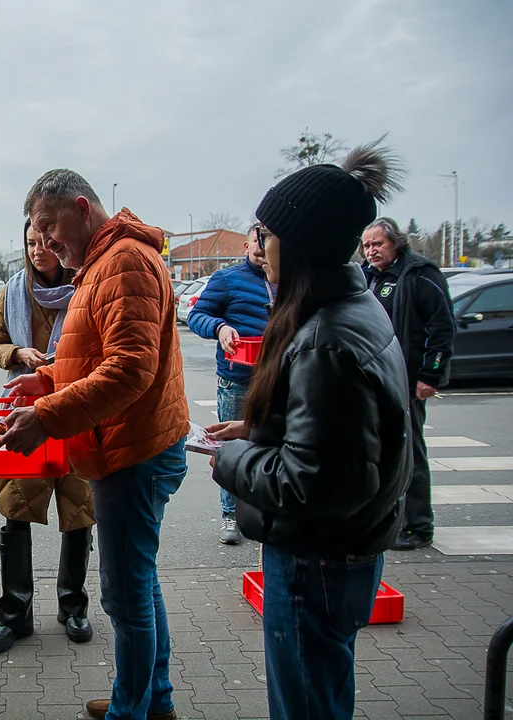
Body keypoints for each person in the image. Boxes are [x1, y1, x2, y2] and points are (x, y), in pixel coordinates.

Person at [208, 141, 412, 720]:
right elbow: (341, 437)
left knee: (306, 705)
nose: (259, 248)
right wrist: (259, 424)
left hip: (314, 561)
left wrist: (232, 460)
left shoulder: (325, 337)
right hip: (343, 552)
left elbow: (311, 482)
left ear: (297, 246)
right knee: (323, 693)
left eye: (265, 235)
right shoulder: (355, 308)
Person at [0, 170, 189, 720]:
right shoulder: (104, 262)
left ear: (82, 208)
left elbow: (129, 370)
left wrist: (47, 415)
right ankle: (152, 699)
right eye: (37, 233)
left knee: (125, 597)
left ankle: (134, 709)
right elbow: (98, 355)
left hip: (135, 452)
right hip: (124, 446)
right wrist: (50, 377)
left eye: (51, 227)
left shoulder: (123, 261)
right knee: (140, 585)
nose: (48, 243)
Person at [0, 218, 94, 654]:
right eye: (30, 242)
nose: (38, 250)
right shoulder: (11, 291)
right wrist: (16, 353)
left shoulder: (86, 285)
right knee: (16, 509)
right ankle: (14, 615)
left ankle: (74, 606)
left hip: (76, 410)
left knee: (79, 510)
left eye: (46, 242)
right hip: (22, 412)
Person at [361, 217, 455, 551]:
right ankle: (389, 518)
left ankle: (418, 525)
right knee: (382, 452)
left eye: (378, 244)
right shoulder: (366, 277)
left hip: (408, 381)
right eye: (367, 245)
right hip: (377, 382)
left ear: (396, 243)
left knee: (409, 452)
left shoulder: (420, 274)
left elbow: (442, 329)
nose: (372, 251)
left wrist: (430, 376)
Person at [186, 224, 273, 544]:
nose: (263, 253)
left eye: (269, 246)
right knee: (230, 446)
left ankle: (265, 511)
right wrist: (220, 328)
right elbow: (197, 315)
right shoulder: (227, 279)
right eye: (258, 246)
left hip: (275, 379)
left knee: (270, 443)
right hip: (237, 377)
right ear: (247, 246)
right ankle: (229, 514)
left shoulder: (286, 278)